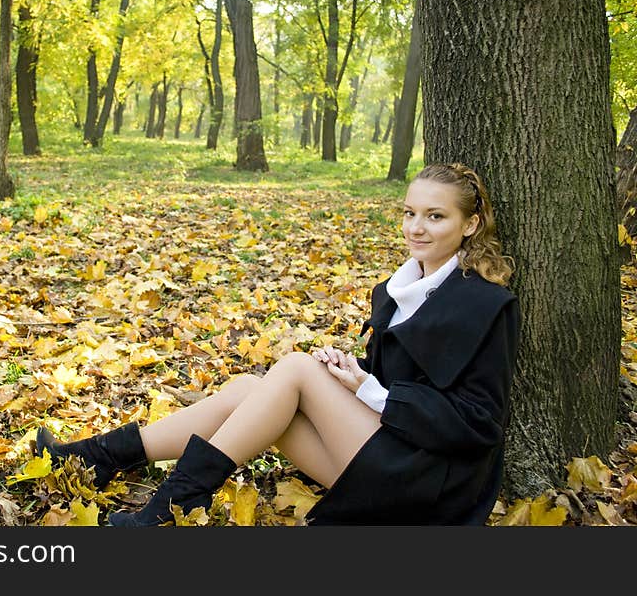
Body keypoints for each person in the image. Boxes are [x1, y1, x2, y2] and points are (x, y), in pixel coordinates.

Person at [33, 162, 520, 526]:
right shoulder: (398, 289)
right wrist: (352, 377)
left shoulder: (483, 304)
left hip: (432, 485)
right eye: (411, 213)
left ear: (470, 224)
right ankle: (100, 457)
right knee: (251, 387)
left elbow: (478, 424)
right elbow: (390, 385)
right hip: (387, 455)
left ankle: (169, 509)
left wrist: (370, 391)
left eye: (436, 217)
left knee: (294, 369)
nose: (416, 227)